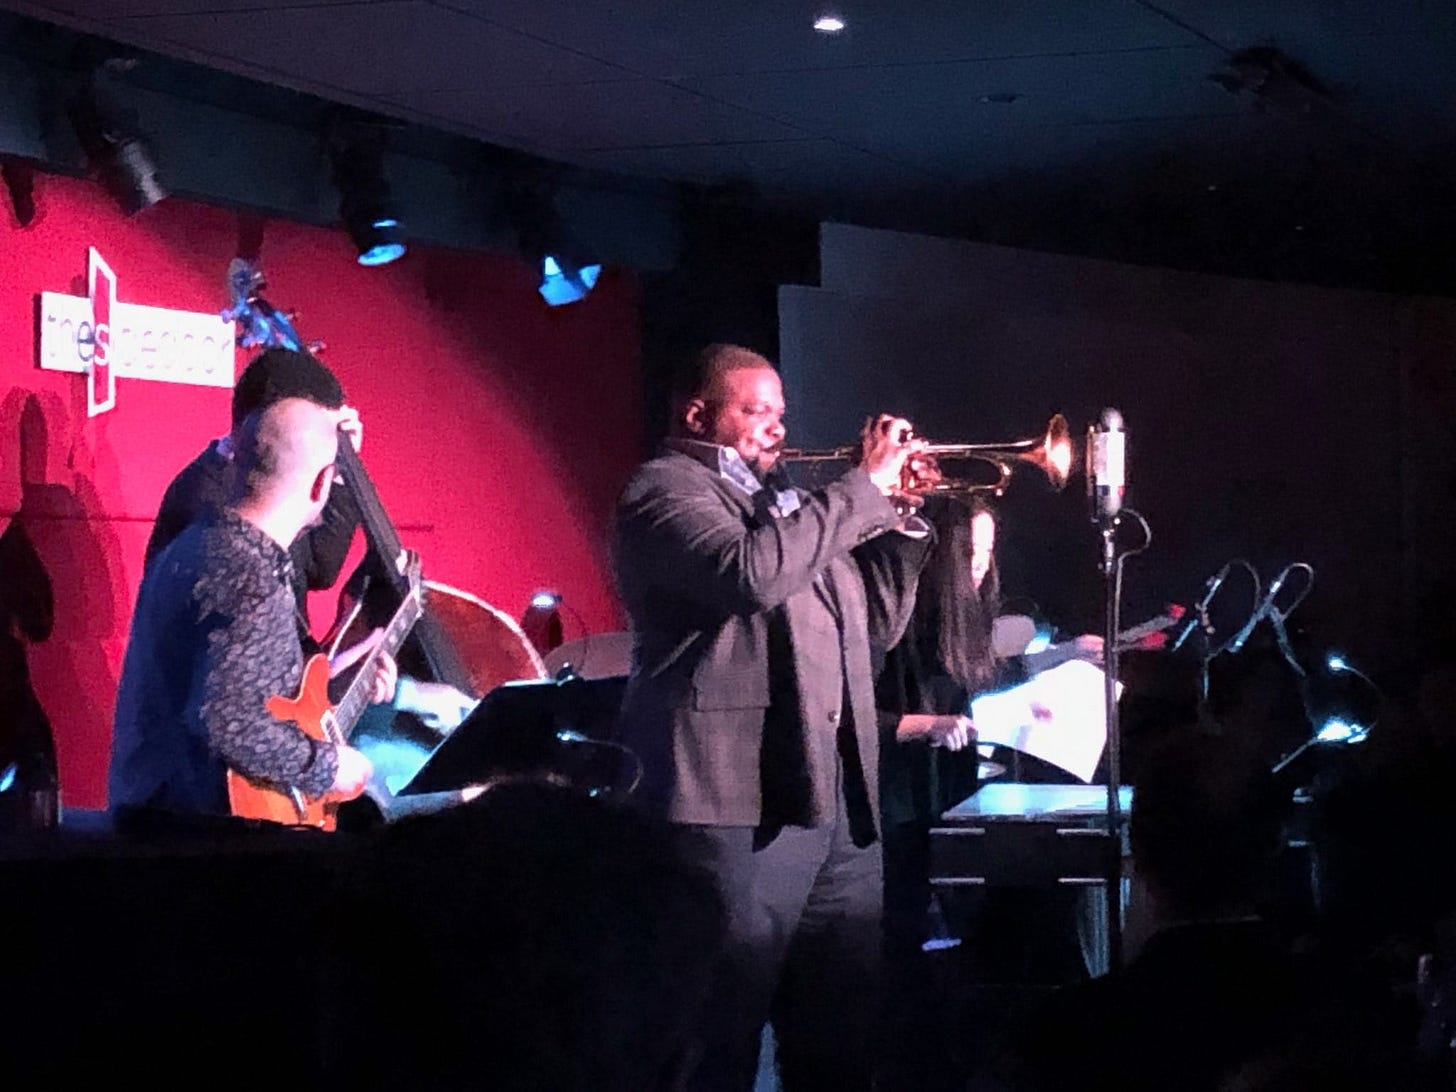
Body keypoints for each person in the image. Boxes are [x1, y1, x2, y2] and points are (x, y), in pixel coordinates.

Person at [612, 343, 934, 1091]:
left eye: (781, 413)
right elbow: (750, 575)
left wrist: (900, 521)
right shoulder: (663, 490)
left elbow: (873, 631)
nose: (777, 428)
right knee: (718, 1039)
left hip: (833, 803)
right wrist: (861, 489)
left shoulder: (786, 503)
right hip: (732, 806)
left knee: (840, 1041)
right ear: (698, 415)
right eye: (755, 411)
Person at [146, 346, 472, 734]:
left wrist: (341, 475)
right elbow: (231, 710)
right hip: (219, 748)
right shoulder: (212, 513)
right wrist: (331, 761)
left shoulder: (258, 494)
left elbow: (319, 568)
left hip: (285, 706)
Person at [109, 397, 384, 818]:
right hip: (198, 832)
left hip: (158, 813)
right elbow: (226, 719)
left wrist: (344, 675)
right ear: (321, 483)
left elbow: (234, 684)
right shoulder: (250, 576)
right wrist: (327, 767)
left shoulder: (207, 543)